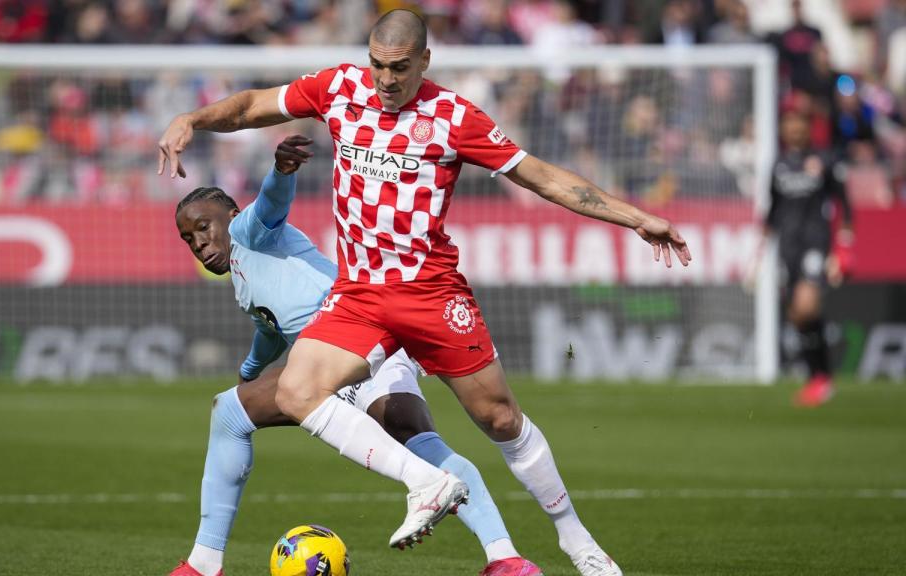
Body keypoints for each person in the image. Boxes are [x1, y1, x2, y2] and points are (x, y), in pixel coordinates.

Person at [158, 10, 692, 575]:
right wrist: (192, 118)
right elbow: (249, 107)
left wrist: (636, 217)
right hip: (359, 294)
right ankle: (427, 484)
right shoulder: (339, 88)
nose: (386, 79)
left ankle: (575, 539)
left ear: (425, 61)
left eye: (399, 68)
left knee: (499, 419)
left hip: (430, 292)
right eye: (378, 65)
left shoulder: (454, 117)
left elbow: (542, 176)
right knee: (295, 390)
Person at [169, 135, 540, 576]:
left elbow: (271, 202)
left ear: (231, 217)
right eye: (188, 238)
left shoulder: (249, 230)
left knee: (419, 444)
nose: (198, 242)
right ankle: (505, 559)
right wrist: (250, 369)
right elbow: (271, 329)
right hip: (324, 363)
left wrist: (281, 172)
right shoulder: (243, 277)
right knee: (233, 413)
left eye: (203, 227)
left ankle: (498, 550)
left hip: (360, 338)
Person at [765, 111, 852, 407]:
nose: (794, 131)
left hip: (815, 243)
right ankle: (817, 378)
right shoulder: (779, 165)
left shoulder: (824, 160)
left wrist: (844, 246)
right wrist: (761, 244)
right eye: (789, 126)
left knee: (805, 306)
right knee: (797, 315)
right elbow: (773, 209)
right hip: (788, 247)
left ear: (808, 128)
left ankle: (822, 378)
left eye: (799, 125)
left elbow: (844, 203)